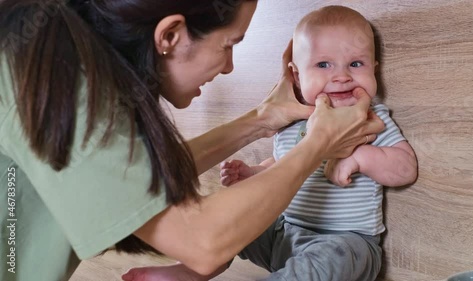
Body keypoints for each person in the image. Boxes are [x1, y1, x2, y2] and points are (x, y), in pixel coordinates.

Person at [0, 1, 385, 281]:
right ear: (170, 34)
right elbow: (203, 243)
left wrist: (262, 120)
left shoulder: (63, 62)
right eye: (229, 44)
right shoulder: (55, 83)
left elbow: (134, 179)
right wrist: (319, 142)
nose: (230, 65)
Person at [125, 5, 418, 281]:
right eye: (323, 64)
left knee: (327, 262)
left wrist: (360, 158)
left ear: (374, 69)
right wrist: (254, 172)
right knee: (237, 224)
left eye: (356, 64)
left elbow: (405, 167)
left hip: (346, 242)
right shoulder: (292, 122)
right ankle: (190, 272)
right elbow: (284, 165)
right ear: (296, 75)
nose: (341, 77)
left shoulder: (368, 118)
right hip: (284, 233)